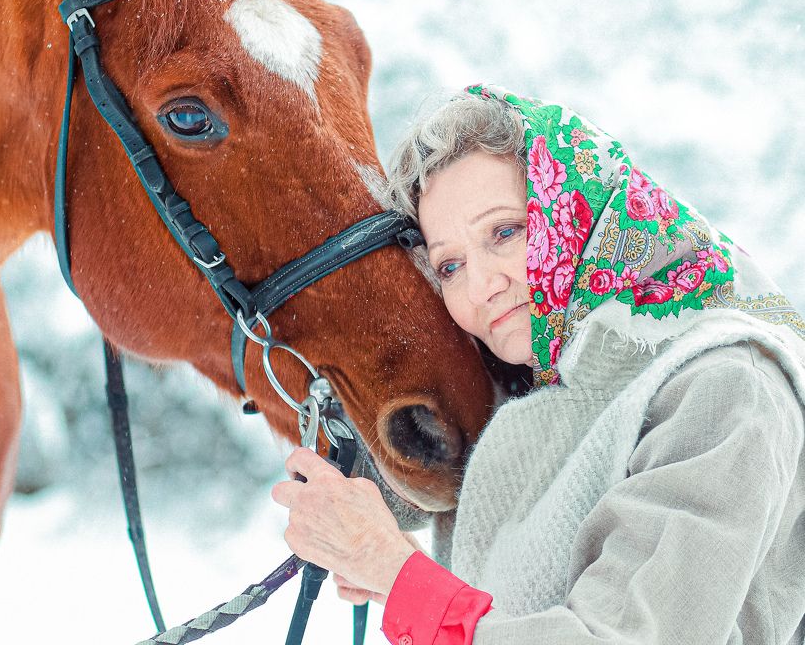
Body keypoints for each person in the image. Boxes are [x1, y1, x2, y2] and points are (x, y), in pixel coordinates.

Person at [272, 84, 805, 644]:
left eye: (505, 232)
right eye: (449, 266)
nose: (482, 286)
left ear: (576, 210)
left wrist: (397, 575)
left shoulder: (726, 387)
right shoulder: (549, 388)